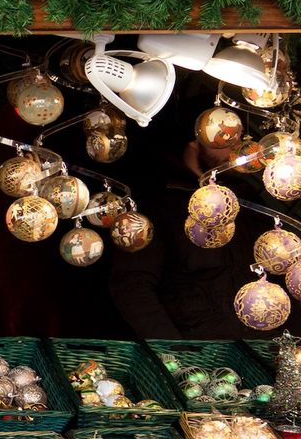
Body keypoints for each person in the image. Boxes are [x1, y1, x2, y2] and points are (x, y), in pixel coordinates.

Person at [109, 139, 301, 339]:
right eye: (223, 138)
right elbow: (132, 286)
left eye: (239, 135)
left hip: (266, 346)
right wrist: (177, 355)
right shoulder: (161, 204)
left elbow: (284, 270)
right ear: (195, 143)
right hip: (206, 352)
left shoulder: (245, 198)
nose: (237, 147)